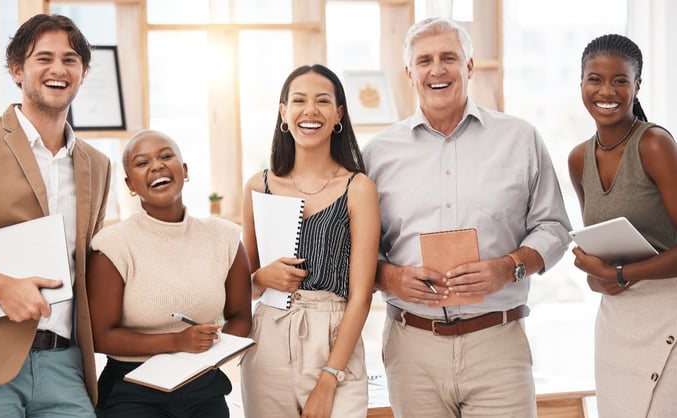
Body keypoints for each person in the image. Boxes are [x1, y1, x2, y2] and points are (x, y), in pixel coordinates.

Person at [362, 17, 571, 417]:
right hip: (412, 348)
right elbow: (358, 249)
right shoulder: (377, 154)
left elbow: (554, 228)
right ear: (409, 73)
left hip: (498, 343)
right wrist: (391, 278)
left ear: (469, 66)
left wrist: (507, 268)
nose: (436, 69)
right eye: (424, 60)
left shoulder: (520, 139)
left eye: (449, 58)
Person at [0, 14, 111, 417]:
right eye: (43, 58)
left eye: (70, 59)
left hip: (66, 366)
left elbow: (90, 266)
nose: (58, 69)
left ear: (83, 73)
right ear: (16, 70)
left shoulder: (97, 165)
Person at [240, 64, 380, 418]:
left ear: (338, 115)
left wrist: (329, 377)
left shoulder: (358, 188)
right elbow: (244, 286)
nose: (310, 110)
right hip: (268, 337)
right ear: (284, 113)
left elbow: (361, 295)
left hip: (333, 339)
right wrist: (261, 278)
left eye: (322, 101)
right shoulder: (258, 186)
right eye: (299, 100)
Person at [86, 130, 252, 417]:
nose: (157, 166)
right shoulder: (112, 245)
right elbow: (101, 336)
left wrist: (209, 354)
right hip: (131, 391)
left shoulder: (224, 238)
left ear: (184, 170)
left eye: (166, 156)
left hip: (203, 383)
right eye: (141, 163)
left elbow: (240, 317)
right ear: (130, 184)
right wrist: (177, 342)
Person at [568, 34, 677, 417]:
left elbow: (616, 266)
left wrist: (616, 272)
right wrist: (594, 274)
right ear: (581, 83)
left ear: (637, 85)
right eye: (594, 79)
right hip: (616, 322)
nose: (606, 91)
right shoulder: (578, 159)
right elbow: (603, 245)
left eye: (620, 80)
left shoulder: (655, 145)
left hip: (669, 314)